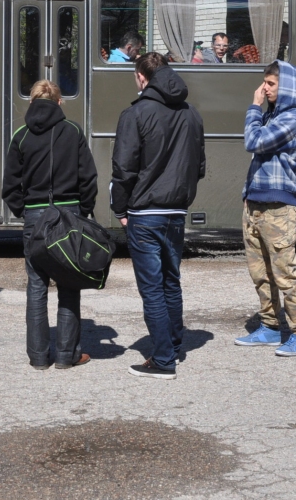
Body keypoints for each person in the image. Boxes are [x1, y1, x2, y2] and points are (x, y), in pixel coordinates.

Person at [112, 52, 205, 379]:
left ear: (141, 77)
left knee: (152, 288)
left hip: (145, 212)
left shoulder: (135, 114)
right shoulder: (191, 113)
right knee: (170, 281)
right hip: (176, 211)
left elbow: (123, 169)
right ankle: (174, 344)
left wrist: (120, 209)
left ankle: (164, 359)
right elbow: (200, 166)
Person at [2, 81, 98, 370]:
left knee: (36, 285)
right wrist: (83, 211)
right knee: (69, 283)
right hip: (69, 215)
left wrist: (25, 210)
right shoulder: (73, 132)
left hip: (34, 215)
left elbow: (10, 185)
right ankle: (67, 355)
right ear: (59, 103)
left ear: (31, 103)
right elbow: (88, 179)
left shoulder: (21, 135)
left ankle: (39, 357)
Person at [234, 60, 296, 357]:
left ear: (287, 87)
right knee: (260, 272)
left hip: (279, 207)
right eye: (264, 83)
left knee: (283, 273)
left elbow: (254, 142)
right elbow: (259, 163)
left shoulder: (291, 119)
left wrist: (252, 109)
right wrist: (247, 194)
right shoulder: (272, 115)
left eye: (270, 84)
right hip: (255, 204)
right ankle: (269, 326)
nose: (263, 89)